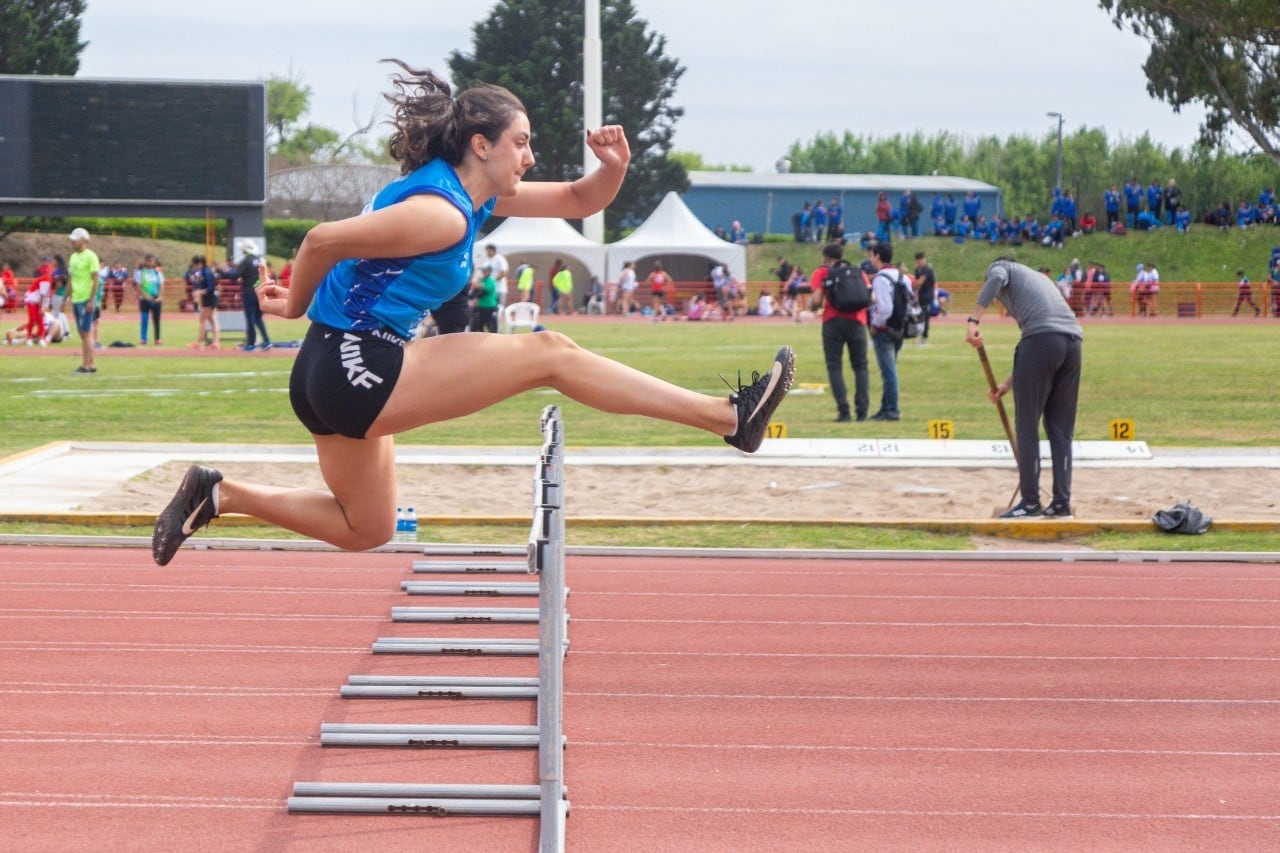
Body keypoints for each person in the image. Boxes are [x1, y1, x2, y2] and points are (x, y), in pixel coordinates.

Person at [151, 61, 795, 566]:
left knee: (366, 528)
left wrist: (616, 168)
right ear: (482, 145)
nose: (530, 157)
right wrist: (292, 304)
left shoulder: (468, 197)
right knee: (550, 354)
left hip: (330, 372)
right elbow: (322, 240)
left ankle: (220, 494)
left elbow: (578, 196)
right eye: (522, 143)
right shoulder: (442, 211)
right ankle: (729, 418)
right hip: (359, 365)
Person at [965, 259, 1083, 519]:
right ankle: (1061, 502)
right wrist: (1007, 385)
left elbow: (995, 279)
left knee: (1027, 425)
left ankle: (1030, 502)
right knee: (1060, 430)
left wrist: (973, 321)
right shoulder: (1040, 278)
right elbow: (1049, 347)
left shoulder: (1001, 268)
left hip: (1042, 341)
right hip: (1073, 343)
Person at [809, 242, 869, 423]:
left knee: (835, 366)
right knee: (860, 367)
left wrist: (811, 306)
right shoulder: (858, 271)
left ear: (825, 257)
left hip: (832, 321)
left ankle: (844, 411)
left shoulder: (821, 272)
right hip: (857, 321)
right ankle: (862, 412)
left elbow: (817, 300)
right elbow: (870, 297)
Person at [866, 241, 904, 421]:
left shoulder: (881, 279)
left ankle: (891, 410)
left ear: (878, 256)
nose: (871, 258)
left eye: (872, 255)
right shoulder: (901, 276)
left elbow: (885, 308)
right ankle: (886, 407)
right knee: (891, 370)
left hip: (885, 329)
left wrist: (875, 324)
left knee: (888, 372)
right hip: (900, 328)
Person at [66, 228, 101, 373]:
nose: (72, 242)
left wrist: (91, 300)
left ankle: (86, 365)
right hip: (76, 299)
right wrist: (66, 297)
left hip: (86, 299)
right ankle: (91, 363)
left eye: (76, 239)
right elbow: (71, 279)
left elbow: (95, 280)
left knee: (86, 332)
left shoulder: (91, 256)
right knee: (83, 333)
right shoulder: (73, 257)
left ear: (84, 241)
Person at [232, 242, 272, 351]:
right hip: (260, 292)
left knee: (250, 319)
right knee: (258, 318)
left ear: (245, 250)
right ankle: (266, 341)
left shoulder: (246, 260)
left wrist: (223, 272)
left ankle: (251, 344)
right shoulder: (260, 259)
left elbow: (236, 274)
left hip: (249, 292)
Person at [187, 255, 220, 348]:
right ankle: (215, 342)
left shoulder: (207, 271)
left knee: (203, 319)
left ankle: (199, 342)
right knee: (212, 320)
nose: (195, 267)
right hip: (209, 298)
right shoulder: (204, 271)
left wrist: (200, 292)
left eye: (196, 264)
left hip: (209, 299)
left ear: (200, 263)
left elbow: (210, 287)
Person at [133, 253, 164, 345]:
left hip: (155, 299)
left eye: (152, 261)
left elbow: (161, 285)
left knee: (156, 320)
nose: (150, 263)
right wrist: (146, 296)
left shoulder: (158, 272)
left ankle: (157, 338)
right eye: (149, 261)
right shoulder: (141, 272)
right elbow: (138, 286)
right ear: (146, 261)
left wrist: (159, 297)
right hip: (144, 299)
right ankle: (143, 338)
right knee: (144, 319)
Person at [913, 251, 937, 343]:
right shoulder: (917, 270)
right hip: (921, 296)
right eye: (918, 260)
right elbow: (917, 284)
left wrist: (915, 284)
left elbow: (919, 282)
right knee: (920, 316)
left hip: (928, 296)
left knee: (926, 316)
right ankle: (920, 335)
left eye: (922, 259)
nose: (920, 262)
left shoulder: (928, 269)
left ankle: (924, 337)